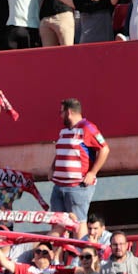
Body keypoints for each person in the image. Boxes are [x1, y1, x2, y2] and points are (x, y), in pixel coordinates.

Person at [50, 98, 109, 238]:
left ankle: (81, 256)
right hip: (59, 185)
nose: (60, 115)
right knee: (58, 223)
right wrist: (52, 168)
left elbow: (104, 149)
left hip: (77, 186)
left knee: (78, 223)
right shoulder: (64, 131)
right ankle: (56, 258)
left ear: (69, 112)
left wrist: (92, 173)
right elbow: (61, 151)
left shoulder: (87, 128)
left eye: (61, 112)